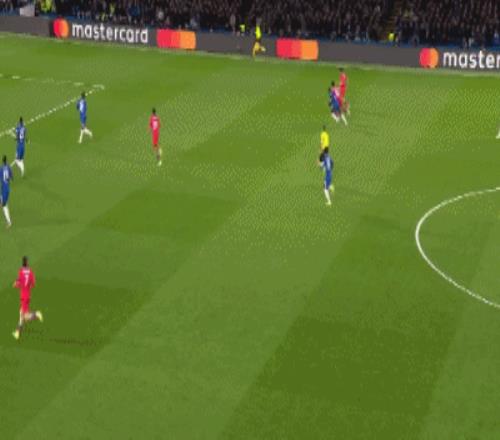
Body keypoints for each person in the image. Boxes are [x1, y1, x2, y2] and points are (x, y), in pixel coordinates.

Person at [12, 256, 42, 341]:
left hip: (23, 296)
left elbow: (19, 283)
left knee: (25, 317)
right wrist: (27, 287)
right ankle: (17, 333)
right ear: (27, 263)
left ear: (22, 263)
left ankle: (36, 314)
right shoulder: (31, 272)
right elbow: (33, 284)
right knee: (21, 313)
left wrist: (16, 284)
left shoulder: (21, 271)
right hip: (28, 295)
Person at [1, 155, 13, 228]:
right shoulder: (9, 167)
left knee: (4, 206)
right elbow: (11, 177)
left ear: (2, 161)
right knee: (3, 204)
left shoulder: (1, 169)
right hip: (6, 189)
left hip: (4, 190)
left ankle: (9, 222)